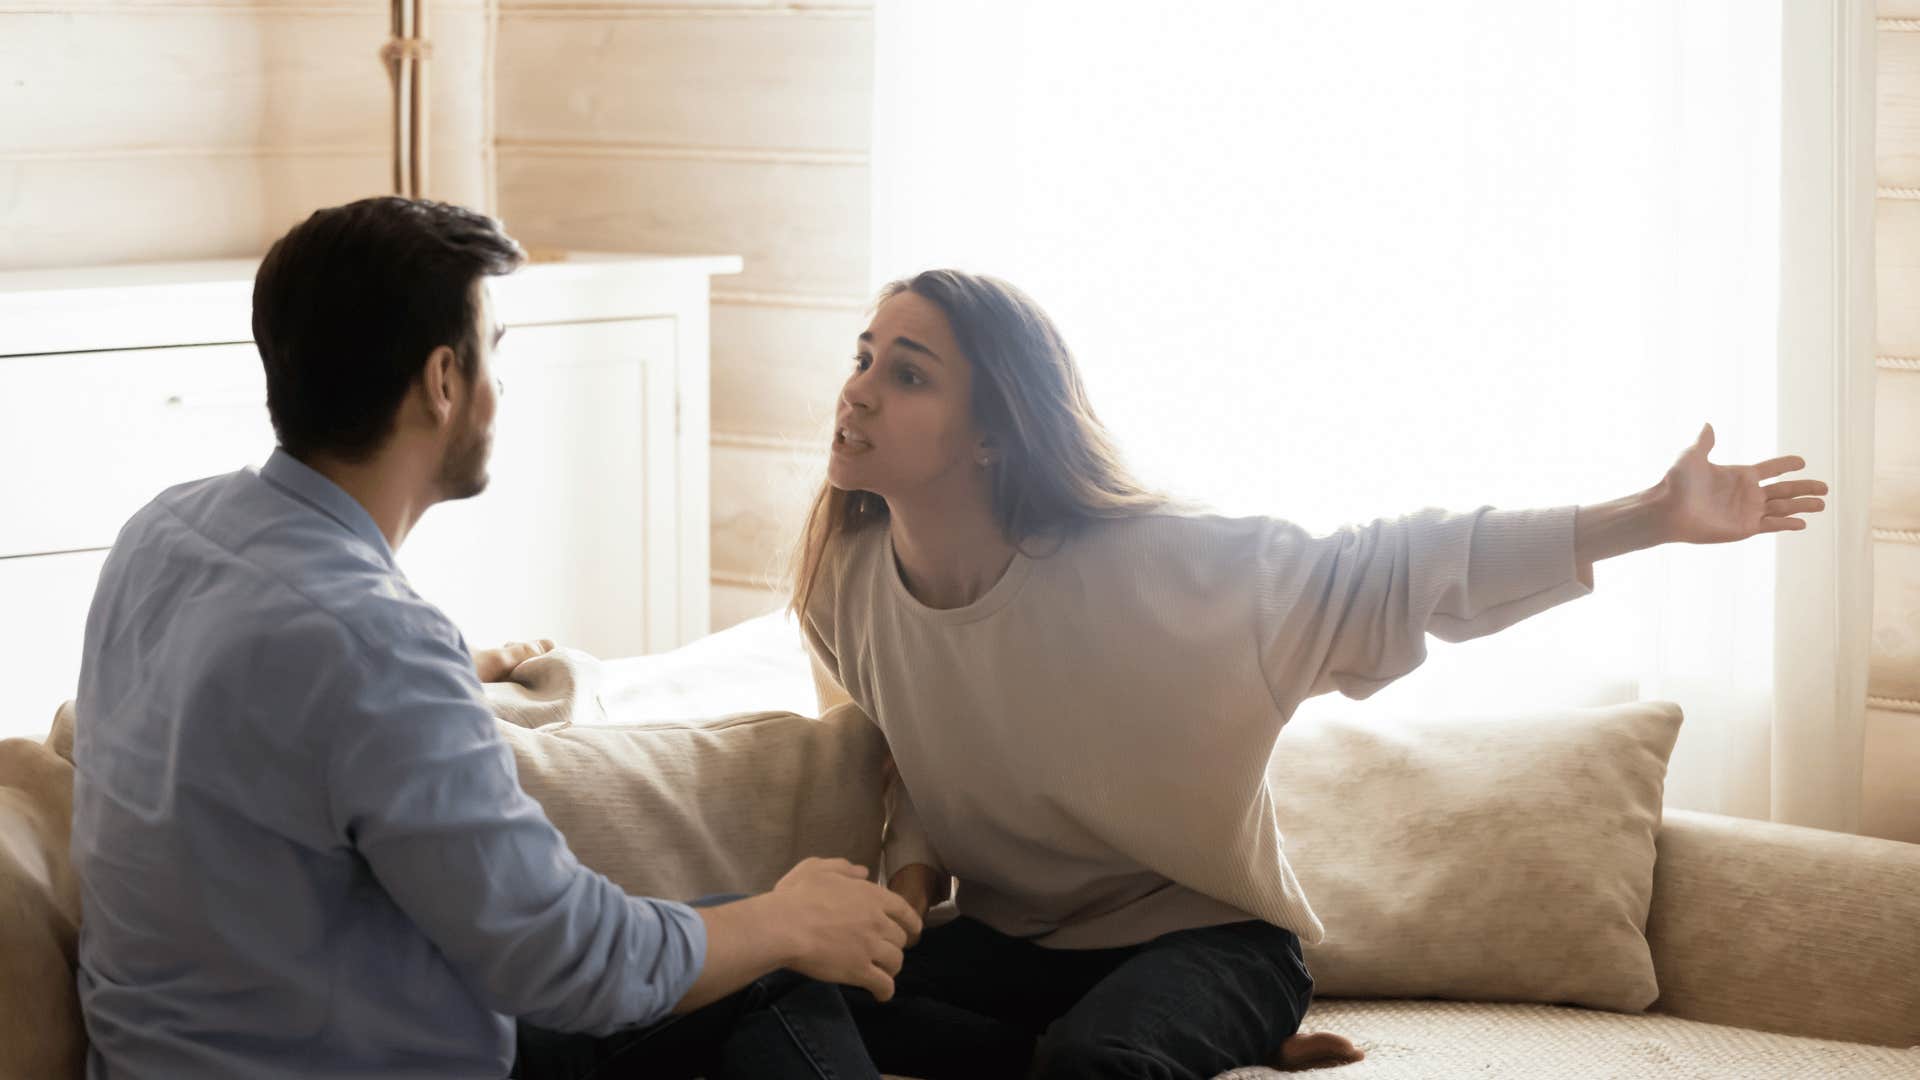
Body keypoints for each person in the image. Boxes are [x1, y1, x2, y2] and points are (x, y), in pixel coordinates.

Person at [790, 268, 1829, 1079]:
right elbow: (911, 748)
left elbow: (1402, 565)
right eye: (864, 356)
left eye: (908, 374)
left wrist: (1651, 516)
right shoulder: (846, 584)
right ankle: (1121, 1048)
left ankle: (1154, 1035)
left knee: (1095, 1066)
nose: (858, 388)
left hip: (1206, 941)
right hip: (1010, 946)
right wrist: (907, 890)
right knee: (779, 991)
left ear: (992, 434)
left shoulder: (1159, 570)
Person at [71, 196, 918, 1080]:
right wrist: (782, 920)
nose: (500, 387)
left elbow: (287, 705)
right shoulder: (376, 645)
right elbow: (569, 960)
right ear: (443, 381)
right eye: (495, 350)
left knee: (759, 949)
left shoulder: (165, 532)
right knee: (772, 955)